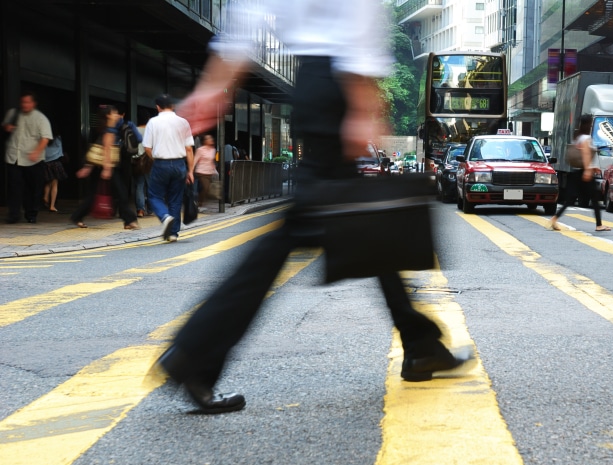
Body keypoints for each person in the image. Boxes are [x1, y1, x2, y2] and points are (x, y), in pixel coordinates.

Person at [149, 0, 469, 414]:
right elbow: (356, 16)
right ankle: (194, 352)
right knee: (314, 228)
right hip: (336, 83)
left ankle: (420, 343)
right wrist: (360, 102)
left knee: (364, 219)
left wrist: (214, 85)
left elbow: (246, 17)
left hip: (312, 83)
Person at [70, 105, 139, 230]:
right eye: (114, 113)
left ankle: (77, 217)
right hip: (107, 166)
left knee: (93, 194)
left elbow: (96, 149)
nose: (117, 115)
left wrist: (88, 166)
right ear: (108, 115)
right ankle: (129, 220)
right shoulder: (109, 131)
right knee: (121, 193)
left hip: (100, 166)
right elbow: (106, 149)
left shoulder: (107, 129)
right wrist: (107, 169)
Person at [142, 94, 194, 242]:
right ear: (173, 106)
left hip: (161, 164)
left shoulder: (153, 122)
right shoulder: (183, 122)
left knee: (154, 196)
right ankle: (173, 233)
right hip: (179, 164)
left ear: (157, 107)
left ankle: (165, 217)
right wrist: (190, 171)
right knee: (175, 199)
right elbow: (189, 149)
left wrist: (157, 159)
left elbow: (147, 147)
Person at [548, 114, 610, 232]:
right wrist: (588, 170)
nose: (592, 125)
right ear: (588, 124)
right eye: (591, 123)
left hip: (577, 172)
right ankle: (599, 225)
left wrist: (592, 168)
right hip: (584, 173)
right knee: (595, 199)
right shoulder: (586, 138)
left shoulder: (578, 137)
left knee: (570, 199)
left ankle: (554, 219)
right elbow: (586, 155)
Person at [2, 92, 52, 224]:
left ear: (34, 103)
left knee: (32, 189)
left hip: (32, 159)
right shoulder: (13, 113)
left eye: (28, 102)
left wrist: (36, 152)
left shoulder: (40, 118)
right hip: (14, 157)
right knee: (14, 188)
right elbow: (5, 126)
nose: (25, 105)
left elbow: (45, 138)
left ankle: (31, 214)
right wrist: (7, 127)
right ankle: (13, 215)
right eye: (23, 102)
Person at [42, 134, 67, 213]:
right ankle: (52, 205)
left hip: (45, 162)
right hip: (55, 162)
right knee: (55, 183)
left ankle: (46, 196)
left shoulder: (44, 137)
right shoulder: (58, 138)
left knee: (48, 181)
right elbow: (60, 151)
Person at [193, 133, 218, 207]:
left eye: (211, 138)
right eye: (208, 138)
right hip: (201, 171)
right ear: (204, 141)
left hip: (210, 172)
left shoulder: (213, 150)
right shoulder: (200, 150)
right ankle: (199, 203)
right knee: (206, 188)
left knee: (207, 189)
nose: (211, 139)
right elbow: (195, 161)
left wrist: (215, 170)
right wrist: (190, 171)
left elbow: (212, 161)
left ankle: (199, 202)